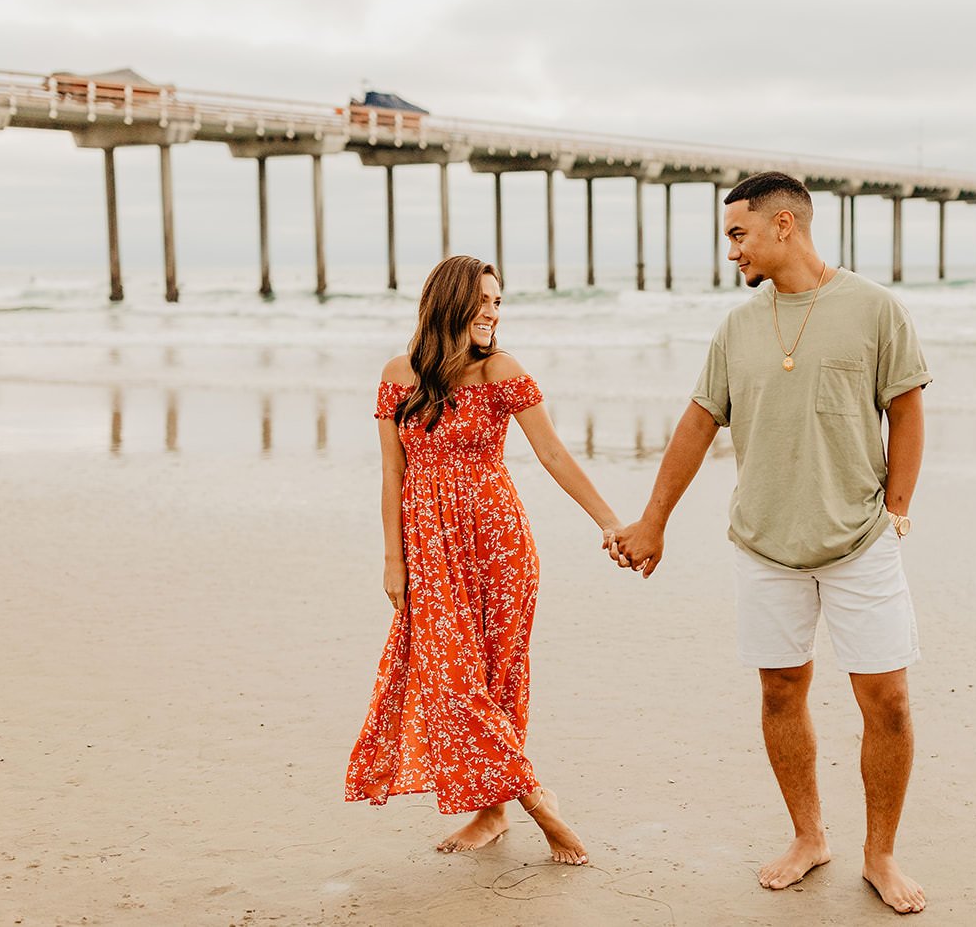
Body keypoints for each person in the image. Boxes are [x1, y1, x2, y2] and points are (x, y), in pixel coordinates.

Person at [608, 172, 932, 914]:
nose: (732, 250)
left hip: (860, 538)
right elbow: (697, 424)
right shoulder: (737, 326)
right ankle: (809, 835)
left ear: (783, 224)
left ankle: (880, 852)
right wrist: (652, 519)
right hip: (763, 543)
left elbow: (908, 410)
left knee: (887, 699)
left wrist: (898, 510)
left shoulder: (874, 308)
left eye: (738, 233)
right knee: (781, 689)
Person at [346, 254, 621, 865]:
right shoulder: (399, 374)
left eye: (499, 302)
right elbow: (393, 471)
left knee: (498, 681)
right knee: (454, 681)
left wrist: (609, 521)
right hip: (430, 548)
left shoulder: (501, 370)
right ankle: (539, 803)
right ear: (448, 302)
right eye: (484, 301)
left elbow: (552, 455)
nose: (494, 313)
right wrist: (393, 560)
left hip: (499, 545)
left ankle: (493, 810)